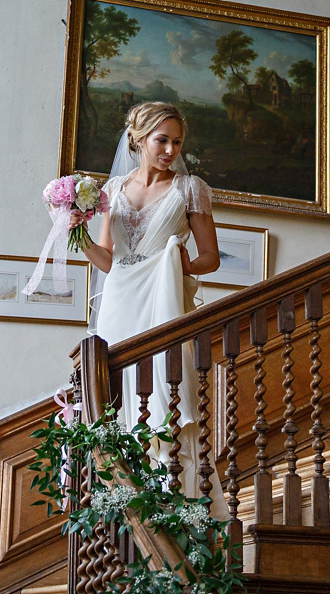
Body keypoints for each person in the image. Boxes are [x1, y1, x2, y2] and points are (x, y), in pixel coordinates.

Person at [68, 102, 224, 512]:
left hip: (162, 298)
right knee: (114, 389)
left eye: (177, 142)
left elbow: (211, 256)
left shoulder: (191, 189)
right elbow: (108, 258)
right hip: (120, 301)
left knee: (163, 388)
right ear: (138, 140)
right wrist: (75, 233)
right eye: (162, 140)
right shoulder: (114, 190)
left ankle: (176, 503)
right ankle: (121, 500)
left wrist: (179, 262)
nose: (171, 150)